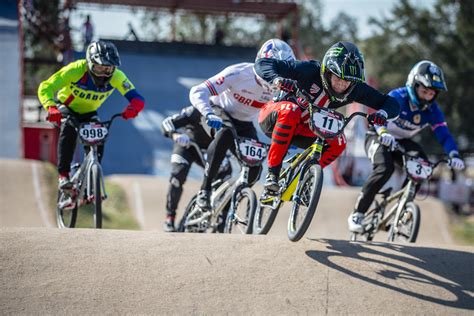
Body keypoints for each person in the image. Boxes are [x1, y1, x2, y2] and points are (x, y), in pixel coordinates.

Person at [254, 41, 400, 194]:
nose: (342, 85)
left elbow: (391, 103)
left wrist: (382, 114)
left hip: (306, 128)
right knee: (292, 110)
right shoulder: (309, 70)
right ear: (327, 71)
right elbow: (262, 63)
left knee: (340, 141)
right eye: (338, 78)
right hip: (273, 117)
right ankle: (272, 174)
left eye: (348, 81)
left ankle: (303, 181)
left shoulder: (354, 89)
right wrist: (277, 79)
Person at [348, 60, 465, 232]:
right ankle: (358, 213)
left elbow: (444, 135)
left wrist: (454, 154)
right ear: (413, 85)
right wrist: (383, 133)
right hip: (378, 136)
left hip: (402, 142)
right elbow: (379, 117)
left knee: (423, 166)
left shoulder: (433, 111)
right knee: (384, 168)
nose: (427, 97)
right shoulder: (398, 97)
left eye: (431, 93)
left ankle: (403, 206)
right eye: (424, 91)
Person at [190, 38, 296, 217]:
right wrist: (208, 113)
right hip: (219, 112)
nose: (274, 77)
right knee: (225, 133)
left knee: (255, 167)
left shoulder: (281, 87)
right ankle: (204, 190)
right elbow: (198, 90)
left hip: (244, 123)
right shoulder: (239, 73)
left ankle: (227, 207)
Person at [38, 40, 145, 190]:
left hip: (89, 112)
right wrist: (51, 107)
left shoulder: (117, 76)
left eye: (108, 69)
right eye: (99, 68)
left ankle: (91, 178)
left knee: (98, 139)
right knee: (68, 130)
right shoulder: (75, 70)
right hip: (67, 107)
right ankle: (63, 175)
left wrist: (133, 108)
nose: (103, 74)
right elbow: (45, 87)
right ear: (89, 63)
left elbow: (138, 98)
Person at [160, 106, 232, 232]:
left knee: (226, 177)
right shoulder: (195, 110)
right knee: (177, 175)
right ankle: (170, 217)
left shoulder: (230, 113)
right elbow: (167, 123)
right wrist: (175, 134)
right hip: (187, 146)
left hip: (210, 152)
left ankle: (222, 220)